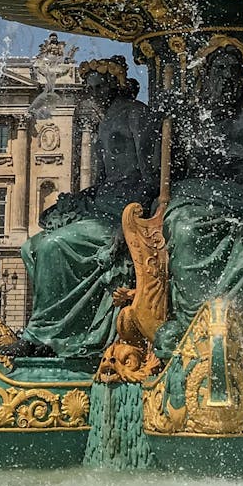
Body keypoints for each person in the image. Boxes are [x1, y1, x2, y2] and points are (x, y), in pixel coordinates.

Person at [12, 57, 155, 362]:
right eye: (89, 89)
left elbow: (154, 177)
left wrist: (129, 223)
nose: (95, 94)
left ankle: (42, 334)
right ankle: (58, 334)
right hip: (102, 204)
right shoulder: (103, 123)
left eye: (100, 86)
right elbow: (100, 180)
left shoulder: (136, 115)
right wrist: (73, 201)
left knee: (52, 246)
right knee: (31, 247)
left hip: (125, 208)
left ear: (116, 85)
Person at [154, 44, 243, 357]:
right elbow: (167, 168)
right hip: (195, 196)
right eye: (219, 69)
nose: (227, 77)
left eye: (233, 70)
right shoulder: (188, 112)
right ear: (206, 75)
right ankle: (193, 326)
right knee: (186, 233)